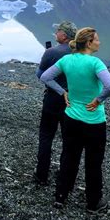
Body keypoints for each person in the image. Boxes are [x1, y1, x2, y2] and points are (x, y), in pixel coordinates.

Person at [40, 27, 110, 214]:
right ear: (89, 43)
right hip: (94, 121)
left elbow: (45, 77)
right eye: (97, 39)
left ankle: (60, 196)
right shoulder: (95, 63)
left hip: (71, 118)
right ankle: (93, 202)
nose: (99, 42)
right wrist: (98, 100)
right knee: (93, 162)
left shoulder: (67, 60)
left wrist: (62, 92)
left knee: (69, 157)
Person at [33, 21, 77, 186]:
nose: (55, 34)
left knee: (46, 136)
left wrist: (47, 58)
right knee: (69, 139)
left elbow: (40, 74)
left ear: (64, 35)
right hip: (72, 101)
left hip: (52, 98)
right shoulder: (79, 52)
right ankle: (64, 175)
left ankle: (41, 174)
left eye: (58, 31)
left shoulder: (52, 52)